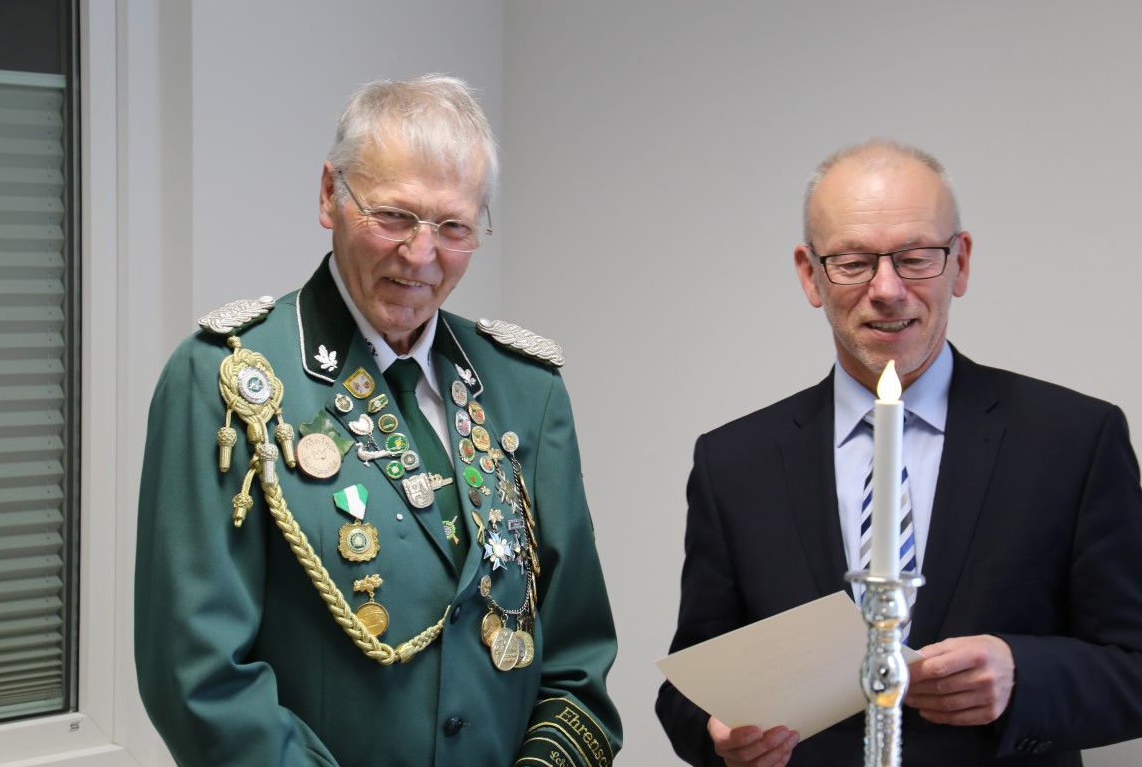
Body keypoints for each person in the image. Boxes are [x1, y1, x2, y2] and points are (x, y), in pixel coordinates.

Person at [135, 75, 621, 767]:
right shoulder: (229, 380)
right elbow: (200, 680)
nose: (421, 256)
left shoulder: (525, 390)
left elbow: (577, 663)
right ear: (329, 194)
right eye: (393, 216)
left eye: (453, 227)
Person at [655, 140, 1142, 766]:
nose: (887, 290)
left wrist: (1023, 674)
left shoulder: (1074, 440)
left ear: (960, 263)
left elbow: (1134, 666)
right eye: (853, 262)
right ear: (809, 274)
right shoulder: (734, 464)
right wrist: (718, 734)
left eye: (916, 258)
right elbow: (690, 691)